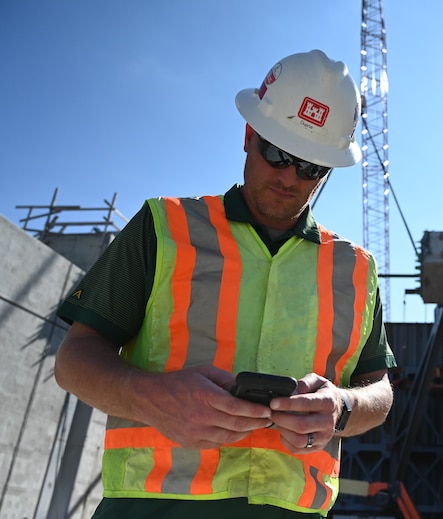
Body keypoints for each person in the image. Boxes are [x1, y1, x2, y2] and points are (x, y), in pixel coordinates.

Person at [54, 49, 396, 519]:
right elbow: (74, 360)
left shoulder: (356, 269)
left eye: (312, 166)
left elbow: (379, 390)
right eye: (276, 153)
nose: (289, 177)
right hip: (151, 508)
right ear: (249, 135)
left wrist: (341, 406)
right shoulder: (163, 228)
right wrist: (155, 400)